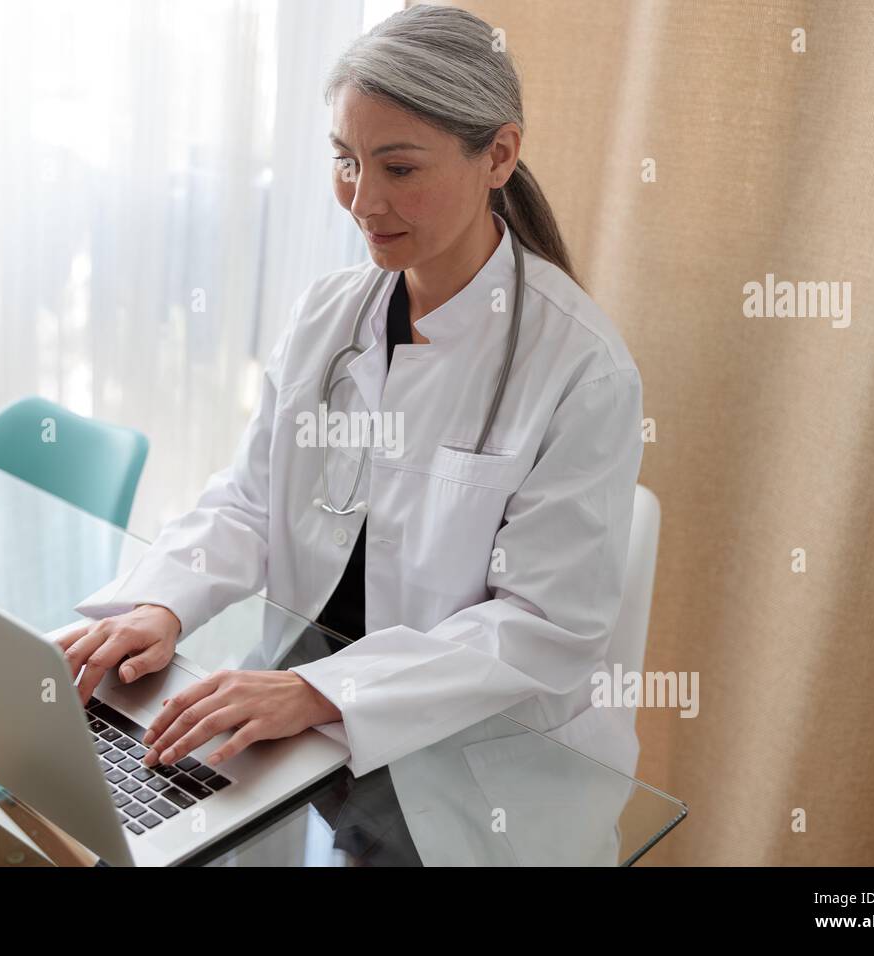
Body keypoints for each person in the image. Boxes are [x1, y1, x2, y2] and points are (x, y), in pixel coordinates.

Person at [58, 4, 643, 792]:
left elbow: (540, 626)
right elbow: (251, 503)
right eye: (345, 161)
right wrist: (161, 605)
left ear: (498, 154)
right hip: (299, 732)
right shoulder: (328, 314)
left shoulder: (582, 369)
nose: (363, 202)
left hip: (477, 774)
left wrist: (319, 691)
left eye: (399, 169)